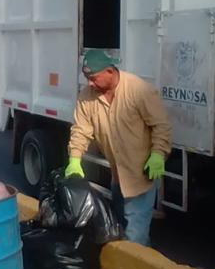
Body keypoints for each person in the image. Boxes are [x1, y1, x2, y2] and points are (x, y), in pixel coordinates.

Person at [66, 50, 171, 246]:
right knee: (119, 226)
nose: (89, 83)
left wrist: (157, 154)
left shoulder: (138, 90)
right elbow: (81, 130)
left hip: (141, 174)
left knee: (135, 235)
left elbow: (161, 125)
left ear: (110, 71)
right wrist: (74, 159)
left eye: (93, 78)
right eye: (87, 78)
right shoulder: (86, 97)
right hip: (117, 174)